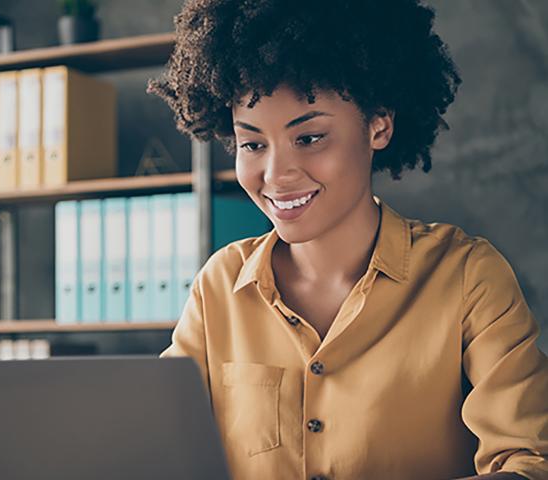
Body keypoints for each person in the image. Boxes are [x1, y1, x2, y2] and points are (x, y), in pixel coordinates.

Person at [147, 0, 548, 479]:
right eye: (253, 144)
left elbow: (528, 461)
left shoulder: (467, 277)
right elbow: (159, 452)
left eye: (310, 137)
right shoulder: (219, 287)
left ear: (378, 124)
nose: (276, 175)